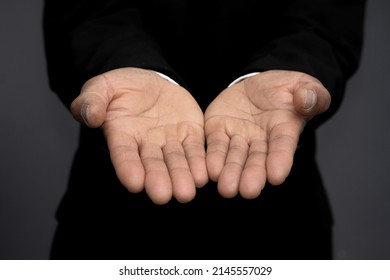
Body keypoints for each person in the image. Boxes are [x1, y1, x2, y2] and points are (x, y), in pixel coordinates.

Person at [43, 0, 366, 260]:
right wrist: (122, 65)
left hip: (279, 226)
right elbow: (86, 10)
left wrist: (294, 70)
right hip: (111, 224)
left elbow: (326, 16)